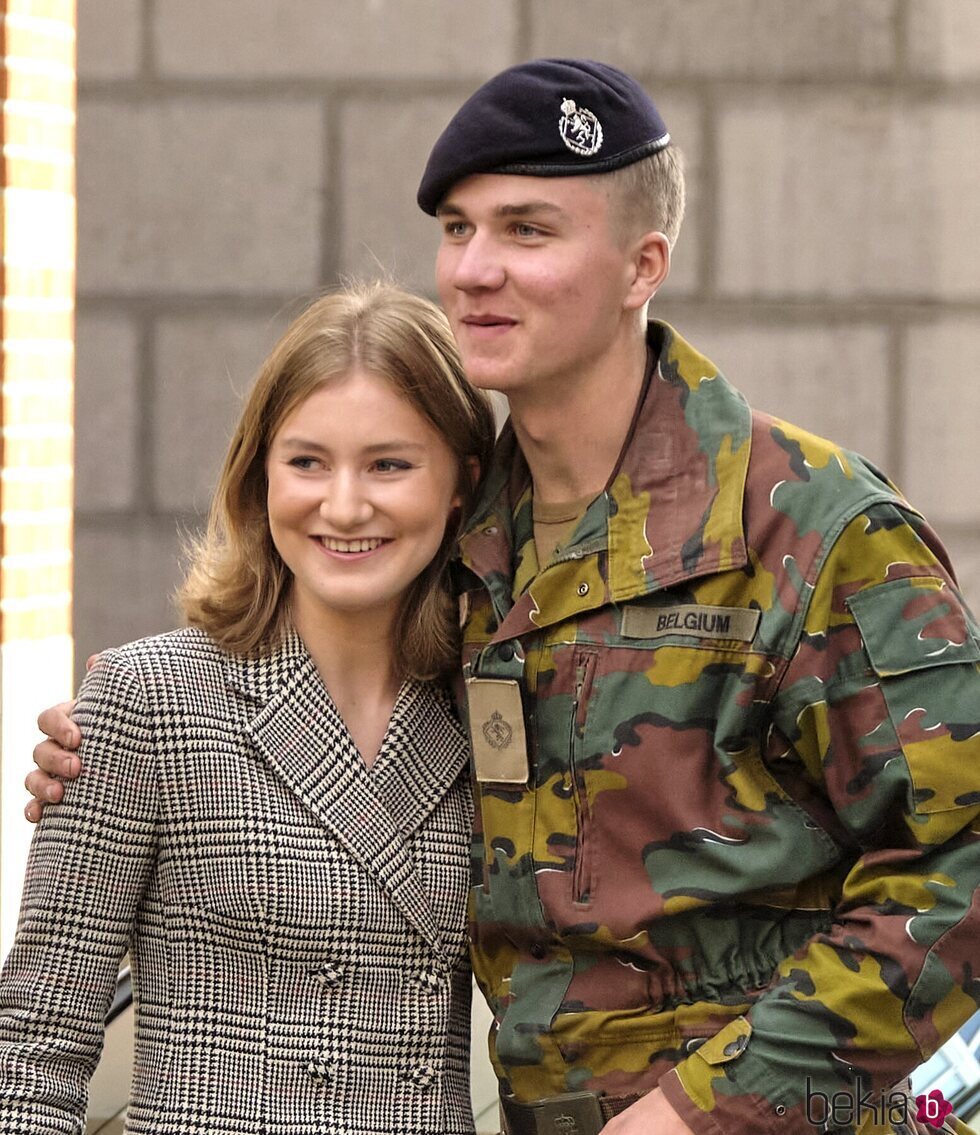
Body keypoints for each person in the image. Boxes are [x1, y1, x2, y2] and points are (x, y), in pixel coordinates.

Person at [28, 59, 980, 1135]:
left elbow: (958, 871)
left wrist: (696, 1113)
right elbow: (322, 694)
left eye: (527, 230)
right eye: (456, 227)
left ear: (640, 265)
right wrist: (126, 723)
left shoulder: (809, 530)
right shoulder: (468, 546)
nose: (475, 269)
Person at [2, 282, 497, 1134]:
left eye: (390, 463)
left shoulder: (498, 719)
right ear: (259, 473)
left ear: (462, 483)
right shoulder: (148, 700)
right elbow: (32, 1054)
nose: (343, 505)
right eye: (307, 461)